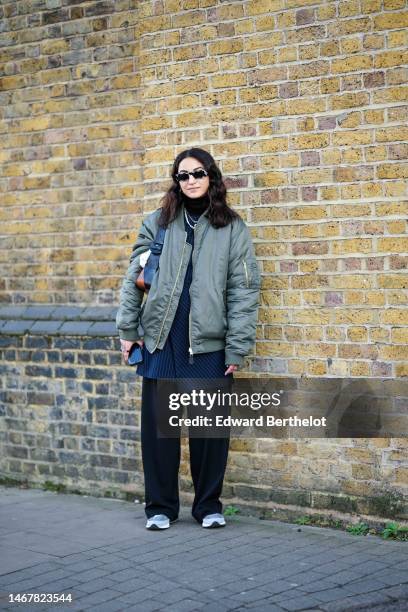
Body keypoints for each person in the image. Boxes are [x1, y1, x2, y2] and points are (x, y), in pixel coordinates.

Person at [116, 147, 260, 530]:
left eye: (198, 173)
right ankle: (160, 508)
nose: (191, 180)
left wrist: (238, 346)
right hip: (162, 341)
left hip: (209, 345)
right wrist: (127, 331)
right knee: (160, 434)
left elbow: (244, 291)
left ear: (211, 176)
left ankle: (208, 506)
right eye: (183, 175)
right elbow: (134, 281)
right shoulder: (157, 223)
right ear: (176, 181)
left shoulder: (233, 228)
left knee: (208, 434)